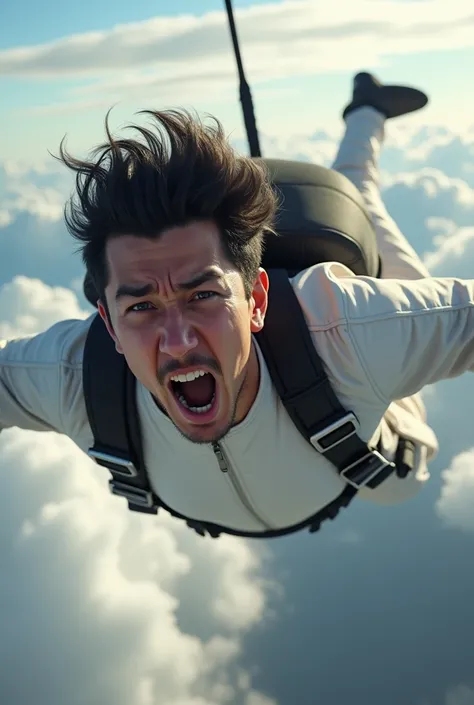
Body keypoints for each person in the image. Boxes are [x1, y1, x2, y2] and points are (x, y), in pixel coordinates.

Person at [0, 72, 468, 537]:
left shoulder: (352, 336)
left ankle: (367, 110)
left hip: (378, 460)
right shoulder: (79, 382)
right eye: (141, 308)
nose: (179, 341)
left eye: (202, 295)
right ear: (109, 324)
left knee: (360, 199)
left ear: (256, 300)